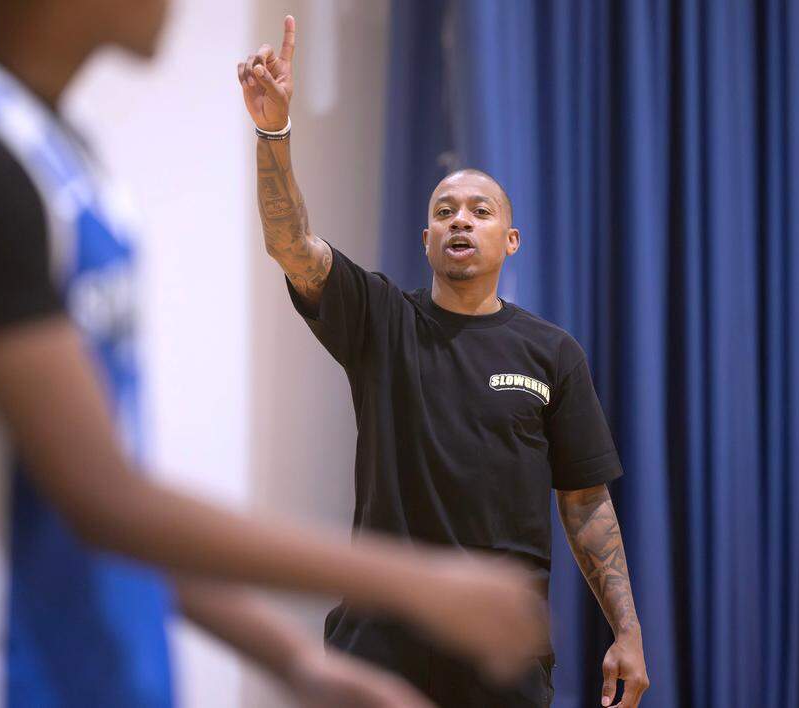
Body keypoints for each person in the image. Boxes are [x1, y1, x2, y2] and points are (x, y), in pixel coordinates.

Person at [0, 1, 550, 706]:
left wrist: (292, 658)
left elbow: (99, 499)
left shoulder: (58, 156)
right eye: (445, 211)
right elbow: (104, 500)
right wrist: (418, 585)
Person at [239, 15, 652, 708]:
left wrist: (628, 632)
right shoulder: (379, 319)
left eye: (480, 210)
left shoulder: (552, 353)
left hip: (501, 653)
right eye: (446, 209)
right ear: (425, 235)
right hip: (380, 646)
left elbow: (586, 508)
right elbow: (292, 244)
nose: (461, 219)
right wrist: (274, 131)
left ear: (511, 238)